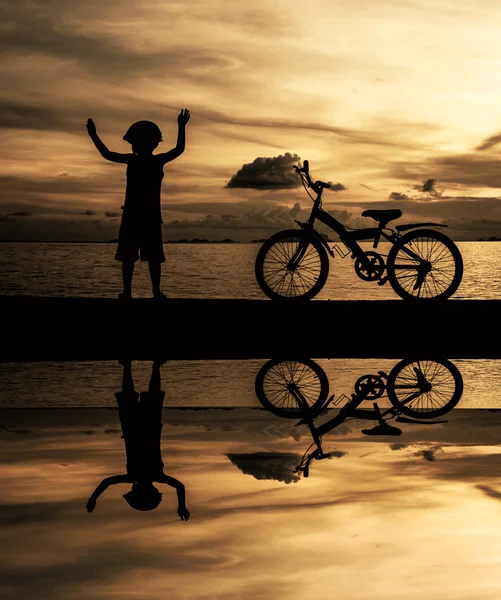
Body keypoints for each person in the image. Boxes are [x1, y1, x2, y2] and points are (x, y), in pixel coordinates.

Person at [86, 109, 190, 300]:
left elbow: (106, 154)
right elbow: (107, 154)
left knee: (145, 258)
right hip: (139, 216)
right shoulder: (145, 160)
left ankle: (145, 291)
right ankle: (137, 291)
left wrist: (181, 127)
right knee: (137, 257)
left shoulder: (147, 160)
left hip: (141, 216)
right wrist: (93, 135)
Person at [86, 359, 190, 519]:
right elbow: (106, 482)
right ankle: (130, 365)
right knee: (132, 396)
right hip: (133, 429)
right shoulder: (135, 476)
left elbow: (179, 487)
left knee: (150, 396)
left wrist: (181, 505)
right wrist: (93, 499)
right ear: (136, 491)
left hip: (148, 428)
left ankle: (153, 364)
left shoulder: (155, 475)